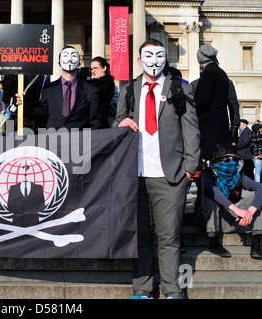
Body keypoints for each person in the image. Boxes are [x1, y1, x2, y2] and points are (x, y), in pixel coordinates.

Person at [112, 39, 200, 299]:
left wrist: (189, 168)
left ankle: (173, 291)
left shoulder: (179, 88)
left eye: (159, 55)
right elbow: (117, 121)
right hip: (135, 176)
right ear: (139, 60)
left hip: (171, 176)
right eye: (147, 56)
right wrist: (121, 123)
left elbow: (192, 130)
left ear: (165, 59)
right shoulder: (129, 89)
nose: (153, 61)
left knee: (169, 237)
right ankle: (142, 290)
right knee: (139, 237)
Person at [17, 46, 102, 130]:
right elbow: (43, 115)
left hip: (80, 141)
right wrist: (24, 106)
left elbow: (95, 123)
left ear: (79, 63)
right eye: (65, 56)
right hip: (53, 140)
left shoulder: (91, 91)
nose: (69, 60)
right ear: (59, 63)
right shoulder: (49, 89)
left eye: (73, 56)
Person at [201, 144, 262, 259]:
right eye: (226, 159)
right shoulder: (208, 174)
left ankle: (256, 243)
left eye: (234, 159)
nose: (231, 162)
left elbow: (260, 187)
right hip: (211, 220)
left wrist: (250, 211)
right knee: (210, 196)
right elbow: (210, 189)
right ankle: (213, 243)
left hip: (234, 219)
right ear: (217, 161)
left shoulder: (238, 176)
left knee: (257, 196)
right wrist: (236, 209)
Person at [195, 44, 233, 161]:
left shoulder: (208, 73)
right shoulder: (221, 73)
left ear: (201, 59)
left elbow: (202, 100)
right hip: (221, 124)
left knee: (209, 163)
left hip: (209, 127)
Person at [87, 56, 116, 128]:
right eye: (91, 69)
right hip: (88, 122)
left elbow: (94, 93)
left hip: (100, 123)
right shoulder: (92, 83)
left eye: (96, 68)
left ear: (104, 68)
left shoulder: (108, 82)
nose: (93, 71)